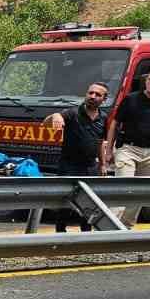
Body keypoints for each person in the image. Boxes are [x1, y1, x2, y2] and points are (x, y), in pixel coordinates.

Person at [101, 66, 150, 223]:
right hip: (128, 149)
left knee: (140, 192)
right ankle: (109, 228)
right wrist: (108, 151)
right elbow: (115, 124)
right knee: (124, 189)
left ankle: (127, 228)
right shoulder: (131, 99)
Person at [43, 81, 108, 232]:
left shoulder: (104, 118)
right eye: (90, 93)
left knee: (89, 203)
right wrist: (55, 116)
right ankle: (60, 232)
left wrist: (103, 164)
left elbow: (100, 142)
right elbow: (46, 124)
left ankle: (86, 234)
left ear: (104, 99)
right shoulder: (72, 113)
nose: (92, 96)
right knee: (66, 201)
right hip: (69, 166)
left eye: (97, 94)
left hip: (91, 167)